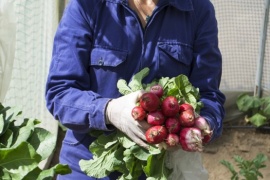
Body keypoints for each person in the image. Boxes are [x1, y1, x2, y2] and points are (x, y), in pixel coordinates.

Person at [45, 0, 226, 179]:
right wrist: (108, 111)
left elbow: (208, 95)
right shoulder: (88, 6)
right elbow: (59, 93)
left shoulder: (198, 9)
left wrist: (201, 125)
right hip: (89, 164)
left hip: (160, 168)